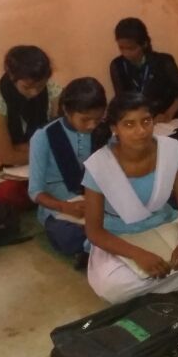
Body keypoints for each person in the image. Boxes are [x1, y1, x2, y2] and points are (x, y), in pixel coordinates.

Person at [82, 93, 178, 304]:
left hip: (166, 226)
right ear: (114, 128)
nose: (141, 131)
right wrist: (138, 255)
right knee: (111, 287)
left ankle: (161, 276)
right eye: (129, 124)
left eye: (146, 121)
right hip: (121, 238)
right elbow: (94, 231)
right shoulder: (99, 165)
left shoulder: (169, 151)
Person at [27, 78, 109, 261]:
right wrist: (64, 206)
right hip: (60, 206)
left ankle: (95, 247)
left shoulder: (103, 132)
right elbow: (35, 192)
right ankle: (96, 245)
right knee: (68, 236)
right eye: (85, 119)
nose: (92, 125)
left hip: (95, 199)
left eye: (98, 118)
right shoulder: (44, 136)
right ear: (66, 110)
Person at [0, 45, 60, 210]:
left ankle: (41, 195)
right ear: (12, 76)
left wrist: (18, 150)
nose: (35, 92)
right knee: (6, 194)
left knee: (80, 174)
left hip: (42, 158)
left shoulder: (53, 90)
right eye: (27, 87)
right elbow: (8, 157)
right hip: (14, 167)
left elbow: (60, 139)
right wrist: (42, 150)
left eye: (40, 86)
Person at [109, 17, 178, 148]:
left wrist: (168, 114)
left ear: (144, 44)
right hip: (136, 121)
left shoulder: (163, 61)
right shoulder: (117, 66)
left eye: (131, 48)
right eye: (121, 48)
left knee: (170, 146)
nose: (126, 53)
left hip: (165, 122)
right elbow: (122, 100)